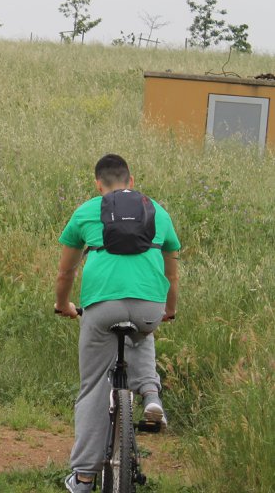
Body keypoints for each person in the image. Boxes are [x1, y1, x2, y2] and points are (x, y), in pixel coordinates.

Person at [55, 154, 180, 493]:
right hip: (149, 305)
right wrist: (169, 308)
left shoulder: (87, 211)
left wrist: (62, 304)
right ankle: (151, 394)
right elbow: (171, 271)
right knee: (143, 331)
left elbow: (66, 270)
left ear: (99, 185)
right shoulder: (157, 211)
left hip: (101, 307)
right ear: (132, 180)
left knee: (94, 387)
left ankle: (82, 477)